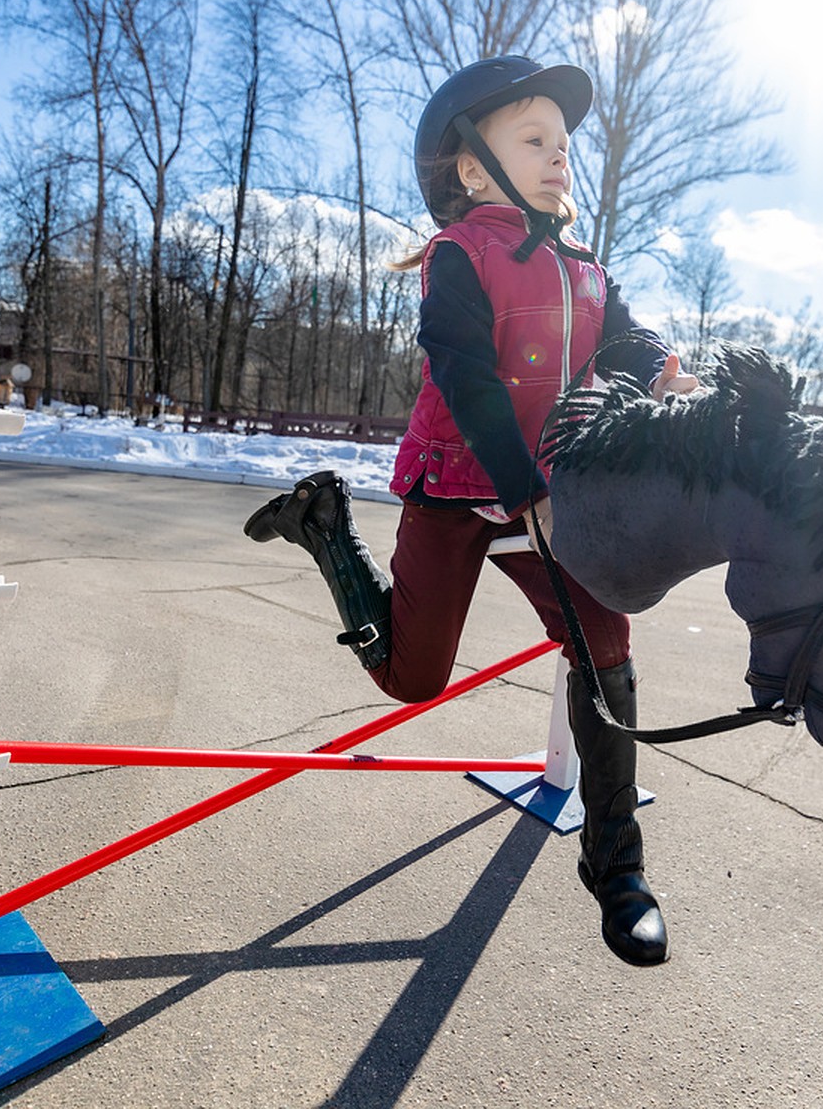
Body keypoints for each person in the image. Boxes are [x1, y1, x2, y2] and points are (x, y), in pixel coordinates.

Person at [244, 55, 699, 966]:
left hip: (546, 496)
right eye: (534, 139)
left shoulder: (585, 268)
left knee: (607, 653)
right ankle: (327, 531)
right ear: (471, 167)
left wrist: (659, 368)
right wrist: (519, 489)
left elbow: (627, 334)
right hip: (462, 487)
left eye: (563, 145)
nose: (558, 157)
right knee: (413, 676)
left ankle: (618, 868)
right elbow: (467, 375)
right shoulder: (460, 258)